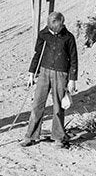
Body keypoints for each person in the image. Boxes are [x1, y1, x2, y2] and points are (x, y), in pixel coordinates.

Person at [21, 11, 78, 148]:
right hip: (44, 72)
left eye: (56, 29)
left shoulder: (68, 37)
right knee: (37, 104)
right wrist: (31, 73)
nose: (53, 32)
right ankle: (31, 136)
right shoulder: (43, 34)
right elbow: (37, 54)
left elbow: (74, 60)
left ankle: (58, 137)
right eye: (51, 29)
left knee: (58, 106)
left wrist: (72, 80)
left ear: (62, 25)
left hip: (61, 73)